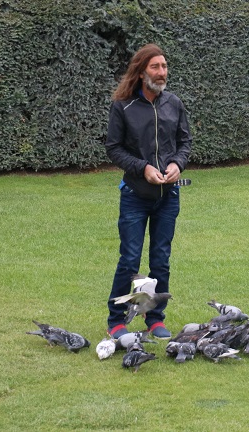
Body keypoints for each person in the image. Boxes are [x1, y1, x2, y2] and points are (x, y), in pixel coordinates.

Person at [105, 43, 192, 340]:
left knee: (160, 261)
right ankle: (116, 320)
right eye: (155, 67)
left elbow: (184, 143)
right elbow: (113, 148)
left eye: (164, 66)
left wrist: (177, 164)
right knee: (130, 260)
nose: (161, 72)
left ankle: (154, 318)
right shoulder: (123, 106)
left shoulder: (174, 104)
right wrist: (143, 168)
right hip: (135, 197)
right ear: (141, 72)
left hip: (168, 197)